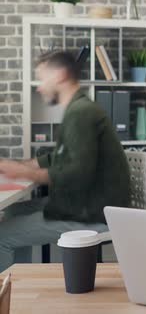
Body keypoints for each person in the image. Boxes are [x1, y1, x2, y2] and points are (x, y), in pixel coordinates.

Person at [0, 51, 130, 271]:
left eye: (42, 79)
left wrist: (22, 173)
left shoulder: (81, 113)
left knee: (2, 235)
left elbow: (75, 175)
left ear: (60, 75)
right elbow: (57, 157)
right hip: (86, 203)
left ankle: (9, 297)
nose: (40, 87)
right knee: (12, 212)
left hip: (93, 213)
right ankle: (20, 281)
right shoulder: (78, 109)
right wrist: (21, 166)